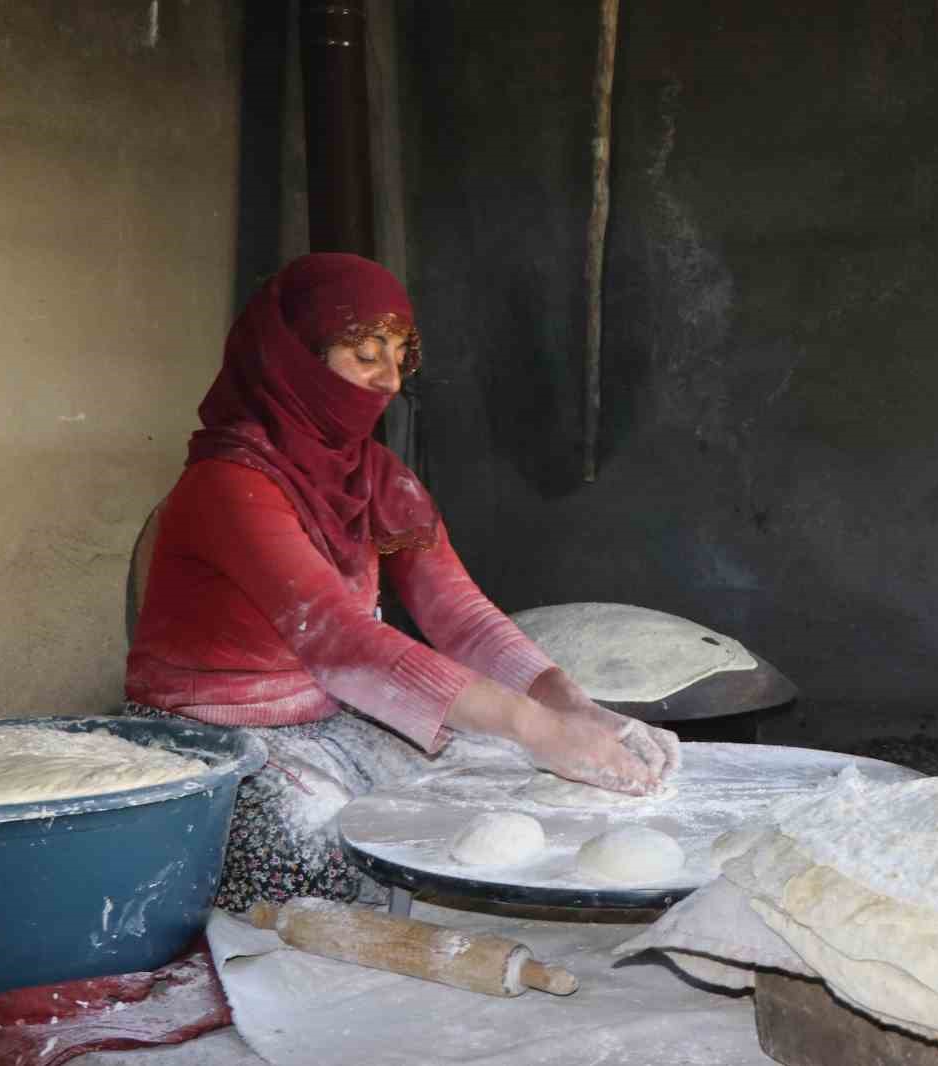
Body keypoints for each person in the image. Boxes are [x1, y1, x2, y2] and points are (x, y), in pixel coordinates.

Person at [123, 252, 680, 911]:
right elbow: (343, 640)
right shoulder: (228, 484)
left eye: (398, 354)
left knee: (486, 786)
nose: (389, 380)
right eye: (364, 353)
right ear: (296, 357)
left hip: (330, 716)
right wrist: (531, 726)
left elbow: (459, 615)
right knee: (317, 855)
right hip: (212, 739)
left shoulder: (375, 476)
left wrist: (570, 706)